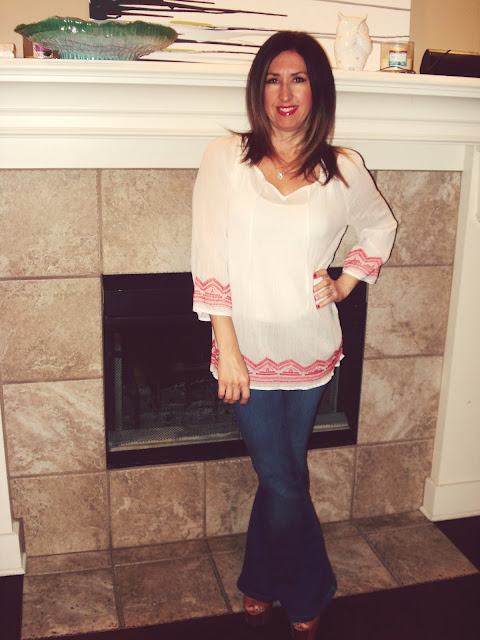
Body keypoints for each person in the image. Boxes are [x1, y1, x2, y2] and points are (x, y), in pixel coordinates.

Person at [191, 31, 397, 639]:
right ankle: (310, 587)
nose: (285, 92)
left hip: (310, 347)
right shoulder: (225, 157)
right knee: (285, 479)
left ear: (317, 89)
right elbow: (207, 255)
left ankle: (259, 578)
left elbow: (380, 226)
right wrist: (228, 349)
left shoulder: (344, 168)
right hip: (246, 351)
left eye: (299, 78)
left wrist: (346, 282)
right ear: (258, 90)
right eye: (273, 79)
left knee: (280, 476)